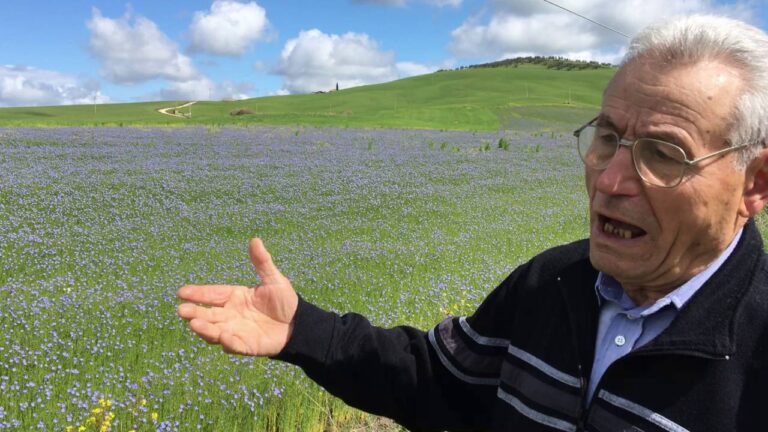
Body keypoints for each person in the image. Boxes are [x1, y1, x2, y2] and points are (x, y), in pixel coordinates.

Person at [177, 15, 768, 432]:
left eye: (664, 153)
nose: (611, 180)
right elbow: (438, 378)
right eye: (608, 138)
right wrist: (301, 330)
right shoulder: (553, 281)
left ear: (754, 184)